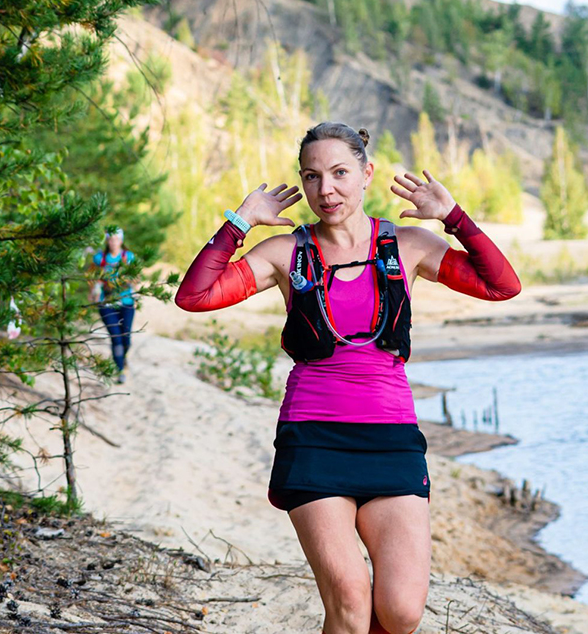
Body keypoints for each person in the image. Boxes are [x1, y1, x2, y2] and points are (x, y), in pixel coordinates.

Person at [174, 122, 520, 634]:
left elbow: (502, 285)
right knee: (351, 603)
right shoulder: (285, 254)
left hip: (392, 440)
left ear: (366, 173)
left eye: (339, 173)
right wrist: (240, 221)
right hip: (314, 441)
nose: (325, 189)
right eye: (311, 177)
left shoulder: (408, 245)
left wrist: (453, 217)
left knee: (400, 612)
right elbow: (195, 297)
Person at [89, 227, 137, 384]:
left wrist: (130, 283)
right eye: (111, 239)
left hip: (126, 302)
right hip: (106, 303)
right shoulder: (100, 258)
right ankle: (120, 370)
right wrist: (94, 291)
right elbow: (91, 276)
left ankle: (123, 357)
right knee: (116, 337)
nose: (113, 242)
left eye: (116, 239)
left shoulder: (128, 257)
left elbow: (137, 277)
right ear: (107, 241)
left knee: (126, 338)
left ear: (121, 240)